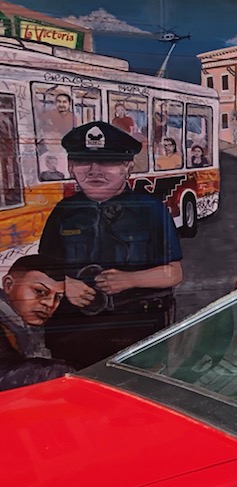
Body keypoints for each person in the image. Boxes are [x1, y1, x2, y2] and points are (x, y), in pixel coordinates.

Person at [38, 121, 183, 368]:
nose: (94, 171)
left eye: (107, 162)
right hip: (73, 335)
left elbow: (174, 273)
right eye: (83, 162)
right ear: (71, 167)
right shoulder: (63, 211)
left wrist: (130, 280)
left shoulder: (150, 210)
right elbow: (40, 269)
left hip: (133, 335)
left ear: (128, 167)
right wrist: (64, 284)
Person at [0, 255, 70, 391]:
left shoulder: (31, 326)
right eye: (40, 291)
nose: (50, 303)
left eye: (58, 297)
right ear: (8, 285)